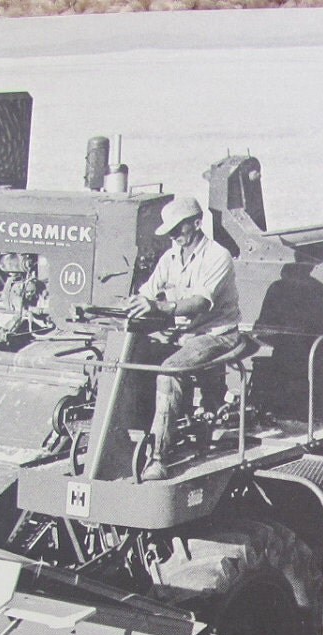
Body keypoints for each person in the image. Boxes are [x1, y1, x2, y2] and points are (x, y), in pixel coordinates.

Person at [126, 195, 243, 479]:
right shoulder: (170, 257)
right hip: (184, 335)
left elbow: (200, 303)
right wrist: (134, 304)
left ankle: (158, 458)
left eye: (179, 229)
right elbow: (148, 291)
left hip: (217, 335)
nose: (174, 236)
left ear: (197, 224)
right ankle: (134, 435)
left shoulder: (218, 256)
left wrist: (158, 308)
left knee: (170, 371)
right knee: (130, 360)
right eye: (170, 231)